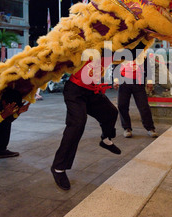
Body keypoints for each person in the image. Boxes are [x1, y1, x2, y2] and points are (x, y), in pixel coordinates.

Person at [51, 53, 121, 191]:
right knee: (77, 124)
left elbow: (134, 46)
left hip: (92, 92)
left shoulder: (113, 49)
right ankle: (58, 167)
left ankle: (106, 139)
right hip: (75, 91)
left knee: (111, 112)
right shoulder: (89, 45)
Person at [113, 57, 157, 138]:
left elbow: (148, 68)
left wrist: (150, 81)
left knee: (144, 106)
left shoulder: (141, 52)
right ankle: (127, 128)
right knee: (122, 105)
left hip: (138, 82)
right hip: (123, 81)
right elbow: (115, 66)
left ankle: (150, 128)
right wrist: (115, 80)